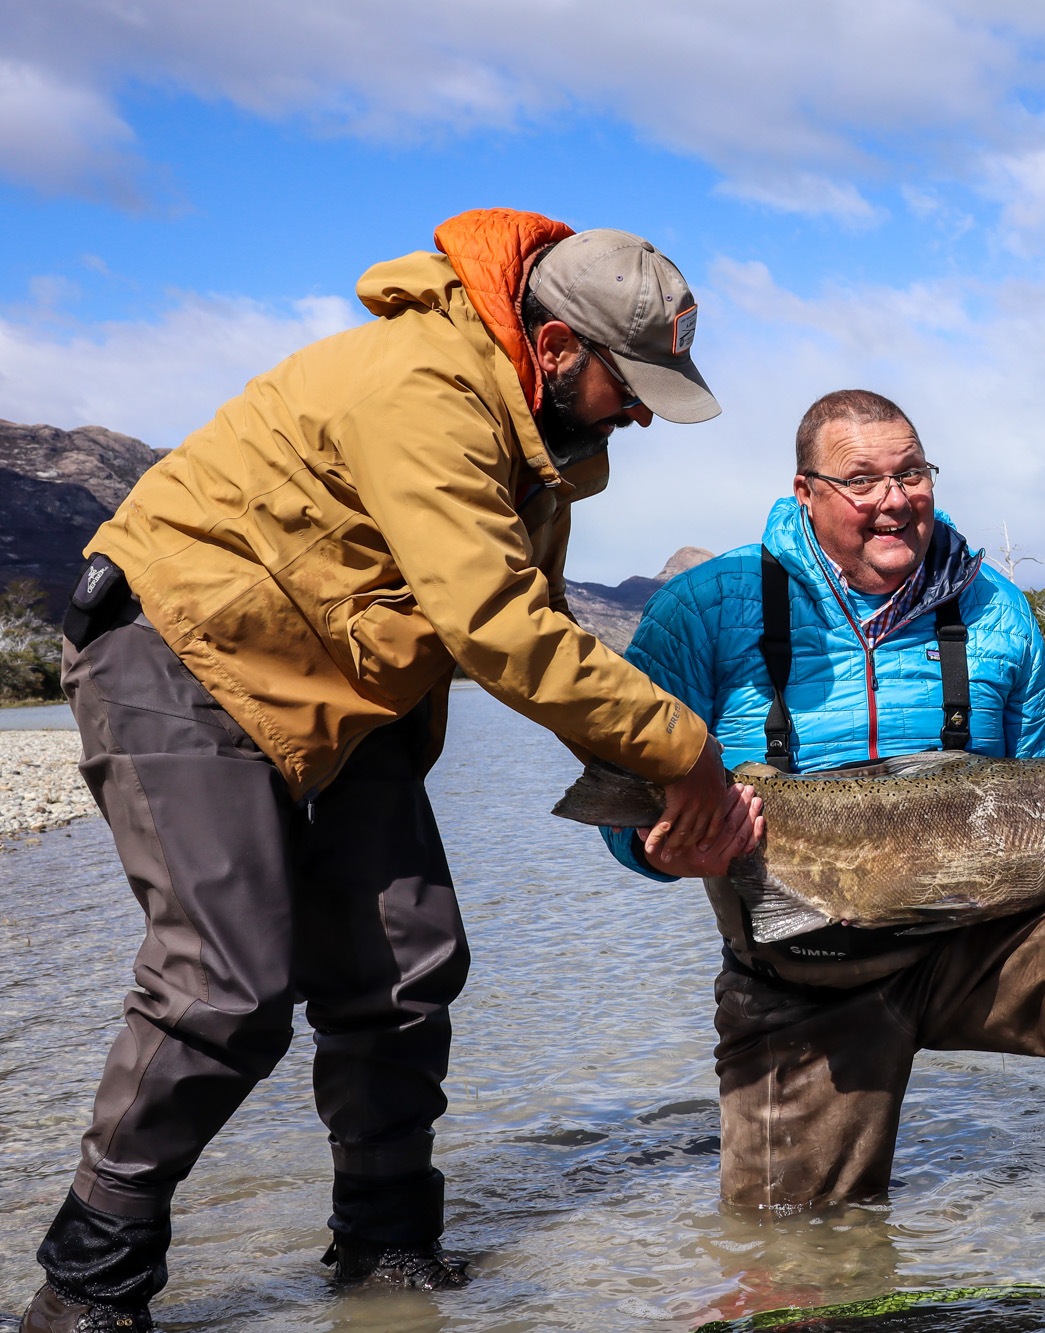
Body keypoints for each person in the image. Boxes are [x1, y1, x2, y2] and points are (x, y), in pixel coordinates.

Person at [22, 209, 763, 1333]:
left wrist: (657, 780)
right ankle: (87, 1283)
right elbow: (498, 631)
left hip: (331, 680)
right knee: (225, 983)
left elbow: (536, 624)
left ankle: (385, 1256)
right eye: (633, 386)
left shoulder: (539, 446)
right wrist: (688, 753)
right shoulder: (425, 386)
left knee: (409, 960)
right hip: (179, 649)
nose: (645, 418)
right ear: (557, 349)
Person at [603, 389, 1045, 1221]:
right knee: (797, 1264)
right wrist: (658, 849)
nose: (895, 499)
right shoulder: (702, 610)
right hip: (800, 982)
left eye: (912, 473)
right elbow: (622, 813)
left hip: (975, 951)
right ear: (805, 491)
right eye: (863, 480)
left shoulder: (999, 612)